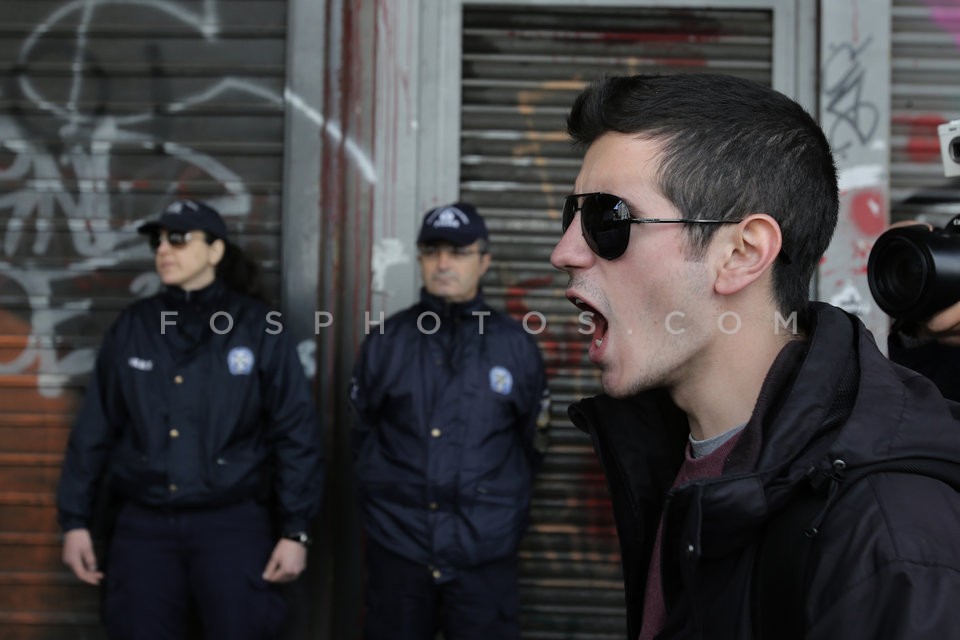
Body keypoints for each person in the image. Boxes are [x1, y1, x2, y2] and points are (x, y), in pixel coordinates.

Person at [549, 73, 960, 640]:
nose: (564, 252)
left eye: (606, 220)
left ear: (742, 253)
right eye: (568, 215)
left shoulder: (888, 538)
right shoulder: (666, 454)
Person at [57, 199, 325, 640]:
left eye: (179, 239)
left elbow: (295, 432)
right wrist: (75, 521)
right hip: (144, 528)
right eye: (158, 241)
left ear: (215, 251)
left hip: (232, 525)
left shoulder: (259, 327)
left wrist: (296, 532)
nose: (165, 249)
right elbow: (95, 430)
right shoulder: (134, 327)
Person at [349, 202, 550, 640]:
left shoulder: (515, 346)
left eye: (458, 251)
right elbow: (361, 436)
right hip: (399, 553)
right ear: (419, 258)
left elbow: (531, 443)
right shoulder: (386, 341)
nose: (443, 263)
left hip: (484, 556)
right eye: (432, 250)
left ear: (484, 261)